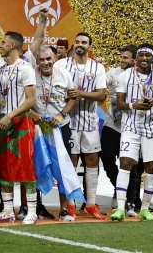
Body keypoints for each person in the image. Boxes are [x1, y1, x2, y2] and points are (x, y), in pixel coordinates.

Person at [111, 43, 153, 221]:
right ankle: (120, 208)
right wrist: (132, 105)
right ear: (136, 59)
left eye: (148, 56)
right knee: (126, 163)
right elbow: (120, 104)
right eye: (141, 55)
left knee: (151, 167)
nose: (144, 58)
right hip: (131, 126)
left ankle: (145, 209)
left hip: (152, 128)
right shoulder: (125, 76)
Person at [0, 31, 39, 224]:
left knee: (25, 167)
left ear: (13, 46)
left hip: (21, 122)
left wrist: (10, 115)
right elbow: (1, 98)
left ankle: (32, 211)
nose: (0, 45)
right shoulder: (2, 69)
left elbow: (31, 99)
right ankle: (8, 210)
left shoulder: (26, 68)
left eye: (3, 42)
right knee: (4, 168)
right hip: (3, 123)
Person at [57, 32, 108, 219]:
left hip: (89, 120)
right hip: (67, 120)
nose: (80, 45)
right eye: (77, 42)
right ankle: (70, 204)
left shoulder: (97, 67)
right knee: (71, 161)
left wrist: (80, 93)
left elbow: (102, 95)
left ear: (89, 46)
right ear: (73, 45)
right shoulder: (61, 65)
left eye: (84, 42)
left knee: (92, 161)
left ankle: (91, 204)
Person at [32, 44, 76, 220]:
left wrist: (62, 113)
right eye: (41, 59)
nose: (45, 63)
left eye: (48, 59)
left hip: (60, 127)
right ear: (36, 60)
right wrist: (33, 113)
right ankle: (34, 208)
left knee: (63, 168)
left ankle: (64, 210)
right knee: (36, 167)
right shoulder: (31, 74)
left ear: (55, 58)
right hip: (37, 128)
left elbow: (73, 98)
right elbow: (23, 100)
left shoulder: (65, 75)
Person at [101, 45, 136, 211]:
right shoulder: (113, 73)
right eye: (121, 57)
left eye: (126, 58)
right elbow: (101, 83)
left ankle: (130, 201)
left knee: (132, 165)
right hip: (112, 125)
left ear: (134, 60)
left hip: (132, 127)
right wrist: (98, 69)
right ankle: (119, 187)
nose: (122, 60)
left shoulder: (140, 77)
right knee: (107, 158)